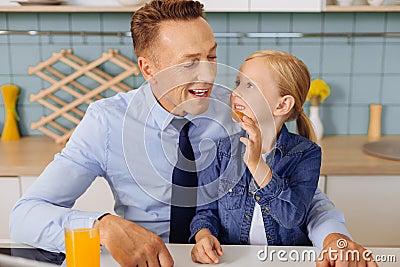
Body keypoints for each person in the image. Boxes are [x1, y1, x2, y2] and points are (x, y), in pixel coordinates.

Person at [9, 1, 377, 267]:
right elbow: (24, 216)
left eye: (212, 57)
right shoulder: (107, 122)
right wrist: (101, 226)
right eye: (189, 64)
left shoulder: (237, 111)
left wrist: (333, 236)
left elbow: (301, 196)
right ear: (148, 68)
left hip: (227, 259)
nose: (207, 76)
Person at [190, 50, 321, 263]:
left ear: (282, 105)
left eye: (250, 85)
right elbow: (206, 211)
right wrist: (204, 235)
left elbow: (291, 217)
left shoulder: (306, 154)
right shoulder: (219, 150)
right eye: (238, 82)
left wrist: (256, 163)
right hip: (233, 259)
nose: (236, 92)